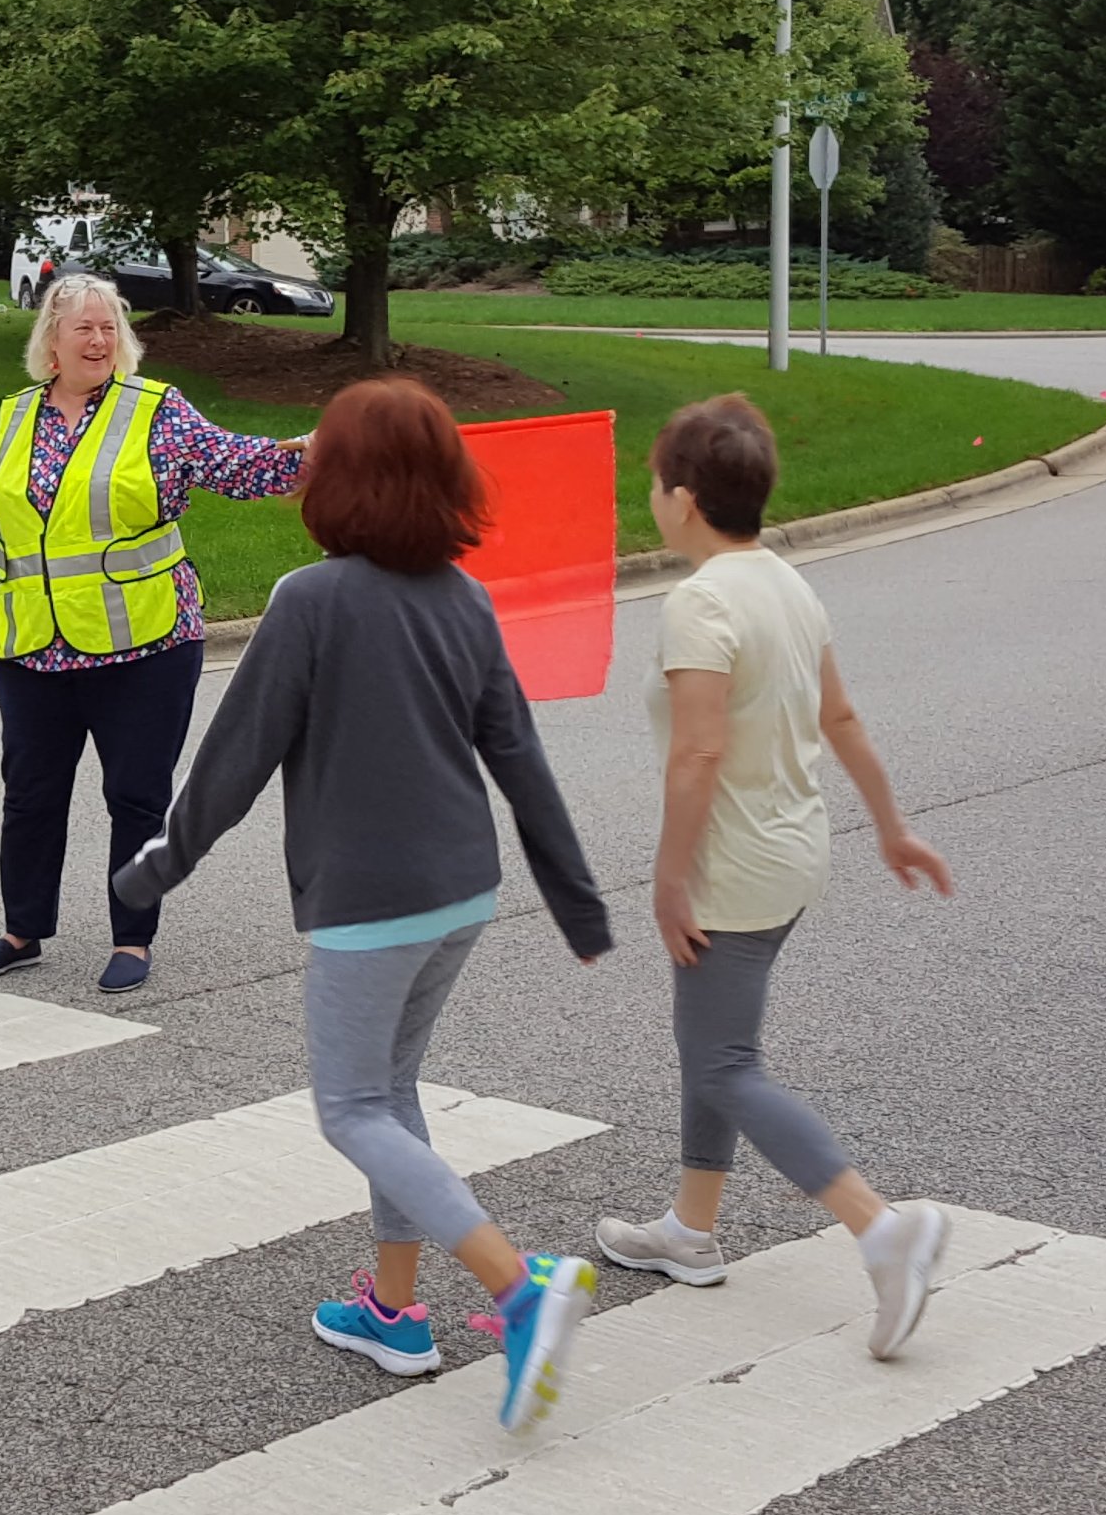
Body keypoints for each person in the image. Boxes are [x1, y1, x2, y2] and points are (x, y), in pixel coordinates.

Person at [111, 378, 608, 1435]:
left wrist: (161, 864)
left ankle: (523, 1292)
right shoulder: (462, 598)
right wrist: (574, 900)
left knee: (349, 1110)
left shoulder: (312, 601)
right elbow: (515, 755)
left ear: (331, 479)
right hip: (460, 890)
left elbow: (234, 759)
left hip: (369, 900)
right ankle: (389, 1309)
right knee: (391, 1093)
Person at [593, 396, 958, 1357]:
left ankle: (881, 1229)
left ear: (681, 498)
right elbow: (841, 720)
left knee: (725, 1062)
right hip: (795, 853)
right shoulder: (787, 585)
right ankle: (690, 1228)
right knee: (714, 1044)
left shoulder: (700, 602)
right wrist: (892, 828)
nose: (650, 498)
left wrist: (669, 882)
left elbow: (697, 756)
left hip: (733, 866)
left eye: (653, 485)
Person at [0, 270, 305, 992]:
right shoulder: (17, 413)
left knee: (137, 795)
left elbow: (236, 465)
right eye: (82, 326)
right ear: (50, 341)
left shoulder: (158, 410)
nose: (98, 338)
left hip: (145, 643)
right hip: (33, 647)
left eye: (109, 325)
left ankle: (132, 938)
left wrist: (309, 453)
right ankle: (22, 930)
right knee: (30, 793)